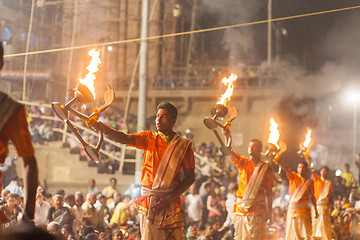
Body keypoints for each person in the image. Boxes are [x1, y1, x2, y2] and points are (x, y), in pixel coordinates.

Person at [93, 102, 195, 240]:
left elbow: (190, 177)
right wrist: (105, 129)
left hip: (170, 201)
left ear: (173, 121)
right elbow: (124, 138)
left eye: (163, 117)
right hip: (149, 201)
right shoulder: (148, 138)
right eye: (157, 116)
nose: (158, 120)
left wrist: (169, 198)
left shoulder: (183, 146)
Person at [0, 42, 38, 223]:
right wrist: (27, 214)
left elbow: (29, 162)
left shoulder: (11, 110)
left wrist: (28, 213)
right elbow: (29, 163)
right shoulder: (10, 109)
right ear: (2, 63)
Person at [222, 127, 274, 240]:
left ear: (260, 150)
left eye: (254, 146)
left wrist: (270, 212)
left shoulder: (266, 168)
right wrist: (227, 137)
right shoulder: (243, 162)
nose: (250, 148)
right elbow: (229, 151)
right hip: (242, 209)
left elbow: (269, 192)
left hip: (258, 210)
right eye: (250, 146)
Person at [276, 160, 318, 240]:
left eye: (303, 168)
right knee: (293, 234)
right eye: (299, 167)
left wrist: (315, 209)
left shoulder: (310, 182)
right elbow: (286, 169)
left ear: (306, 169)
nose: (301, 169)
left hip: (304, 211)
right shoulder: (293, 176)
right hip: (293, 211)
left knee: (305, 234)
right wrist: (279, 161)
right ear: (297, 169)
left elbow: (312, 196)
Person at [306, 158, 333, 240]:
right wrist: (309, 162)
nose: (323, 172)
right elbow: (312, 170)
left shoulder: (329, 183)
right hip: (316, 207)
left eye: (325, 171)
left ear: (327, 173)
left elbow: (331, 196)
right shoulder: (316, 179)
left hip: (325, 208)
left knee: (325, 224)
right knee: (315, 224)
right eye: (322, 170)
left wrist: (331, 207)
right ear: (320, 171)